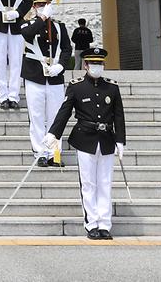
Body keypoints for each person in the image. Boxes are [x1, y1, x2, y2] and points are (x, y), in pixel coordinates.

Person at [46, 47, 126, 240]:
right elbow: (64, 111)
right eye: (93, 63)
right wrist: (54, 133)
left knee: (105, 183)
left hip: (106, 139)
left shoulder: (112, 88)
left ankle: (104, 224)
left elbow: (118, 116)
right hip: (85, 138)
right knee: (89, 183)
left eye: (99, 63)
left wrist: (120, 141)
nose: (96, 67)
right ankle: (91, 224)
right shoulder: (76, 86)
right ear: (85, 65)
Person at [21, 0, 72, 168]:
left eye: (45, 4)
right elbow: (28, 33)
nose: (42, 6)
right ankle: (40, 153)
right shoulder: (27, 24)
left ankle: (54, 153)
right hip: (34, 76)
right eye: (39, 5)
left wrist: (61, 66)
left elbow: (66, 49)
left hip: (55, 77)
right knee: (36, 116)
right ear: (34, 7)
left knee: (55, 117)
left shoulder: (59, 27)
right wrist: (43, 17)